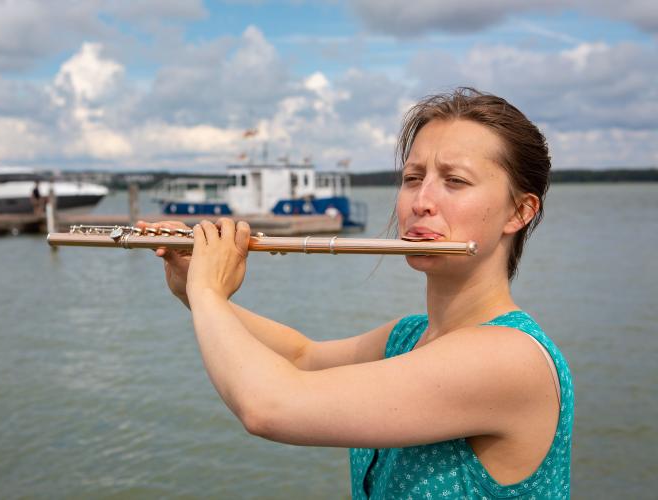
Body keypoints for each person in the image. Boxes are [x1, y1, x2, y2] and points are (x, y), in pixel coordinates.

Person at [139, 88, 573, 499]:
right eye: (412, 177)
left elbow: (269, 406)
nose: (421, 201)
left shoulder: (507, 358)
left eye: (455, 181)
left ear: (519, 211)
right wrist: (192, 289)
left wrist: (210, 292)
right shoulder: (409, 337)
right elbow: (300, 357)